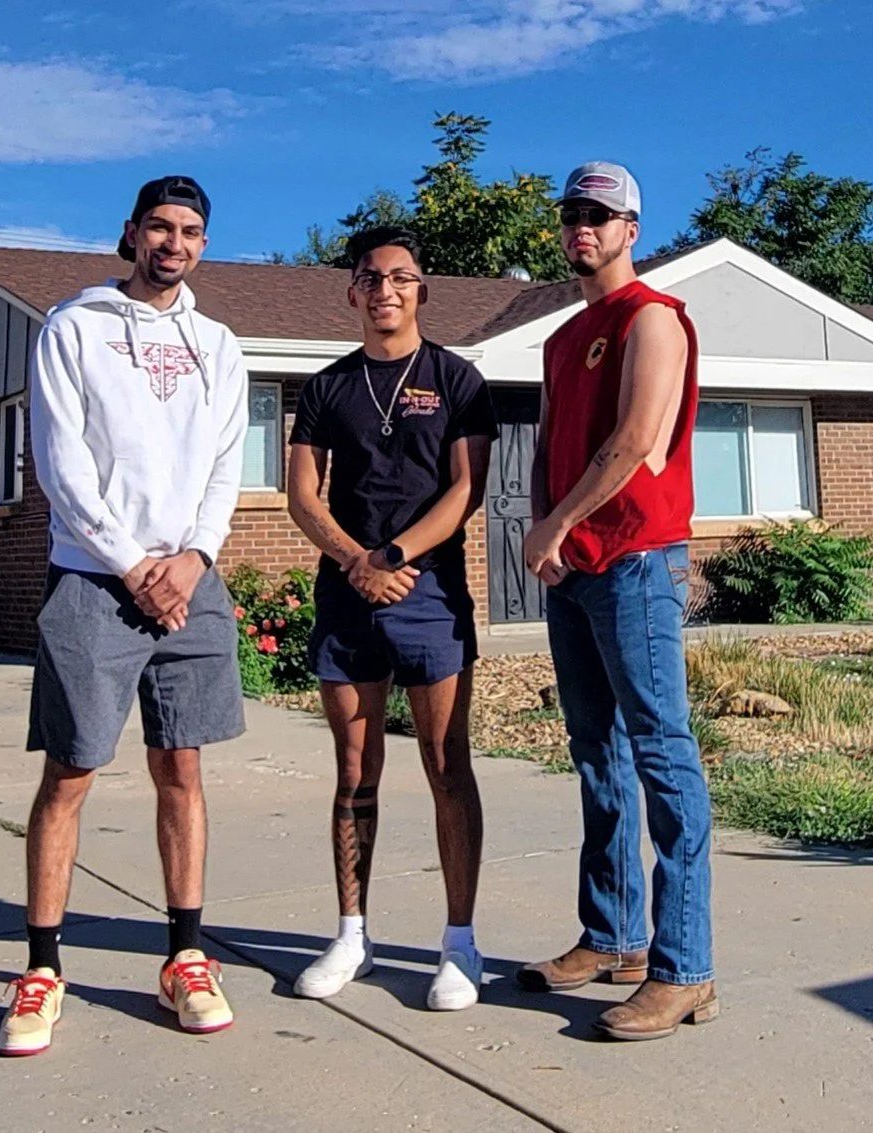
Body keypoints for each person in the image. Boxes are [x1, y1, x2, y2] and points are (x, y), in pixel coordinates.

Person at [0, 176, 250, 1056]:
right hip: (96, 581)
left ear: (202, 245)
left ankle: (185, 954)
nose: (173, 243)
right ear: (130, 235)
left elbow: (225, 463)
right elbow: (62, 462)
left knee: (181, 767)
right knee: (69, 773)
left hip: (190, 578)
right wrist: (135, 563)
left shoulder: (218, 343)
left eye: (189, 231)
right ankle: (40, 967)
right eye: (159, 228)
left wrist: (192, 558)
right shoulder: (75, 327)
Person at [516, 162, 716, 1041]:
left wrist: (556, 522)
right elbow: (553, 444)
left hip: (638, 562)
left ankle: (685, 967)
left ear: (633, 226)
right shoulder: (564, 337)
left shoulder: (654, 319)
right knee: (595, 751)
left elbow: (637, 440)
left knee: (663, 754)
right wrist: (542, 525)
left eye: (598, 215)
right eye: (571, 214)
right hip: (576, 568)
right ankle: (614, 936)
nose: (580, 228)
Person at [284, 226, 496, 1011]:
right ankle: (351, 933)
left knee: (446, 764)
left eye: (401, 278)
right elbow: (304, 494)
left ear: (421, 290)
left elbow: (465, 489)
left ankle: (461, 944)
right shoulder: (327, 386)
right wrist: (354, 562)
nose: (386, 290)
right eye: (371, 278)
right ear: (353, 291)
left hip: (428, 594)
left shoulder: (457, 378)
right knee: (353, 769)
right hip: (348, 595)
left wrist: (396, 556)